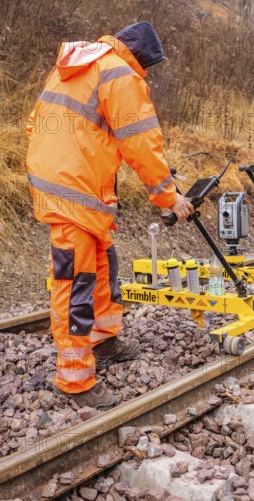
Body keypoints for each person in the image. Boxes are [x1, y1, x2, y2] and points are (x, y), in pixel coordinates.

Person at [26, 21, 193, 409]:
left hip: (70, 184)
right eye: (147, 67)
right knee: (75, 281)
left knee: (102, 264)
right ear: (141, 59)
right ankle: (75, 380)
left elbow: (36, 122)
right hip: (75, 190)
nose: (146, 75)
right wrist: (168, 197)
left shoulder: (79, 63)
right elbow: (141, 143)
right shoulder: (121, 73)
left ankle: (103, 341)